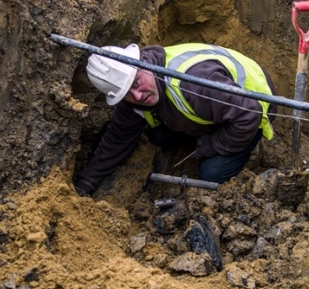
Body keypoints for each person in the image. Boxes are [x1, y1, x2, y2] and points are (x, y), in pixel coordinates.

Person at [74, 42, 278, 196]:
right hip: (218, 107)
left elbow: (248, 114)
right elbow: (116, 140)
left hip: (254, 106)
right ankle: (202, 133)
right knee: (158, 136)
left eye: (136, 82)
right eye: (127, 92)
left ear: (142, 64)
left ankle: (232, 146)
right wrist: (86, 183)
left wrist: (212, 145)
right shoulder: (136, 97)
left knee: (212, 173)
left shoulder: (194, 83)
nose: (138, 95)